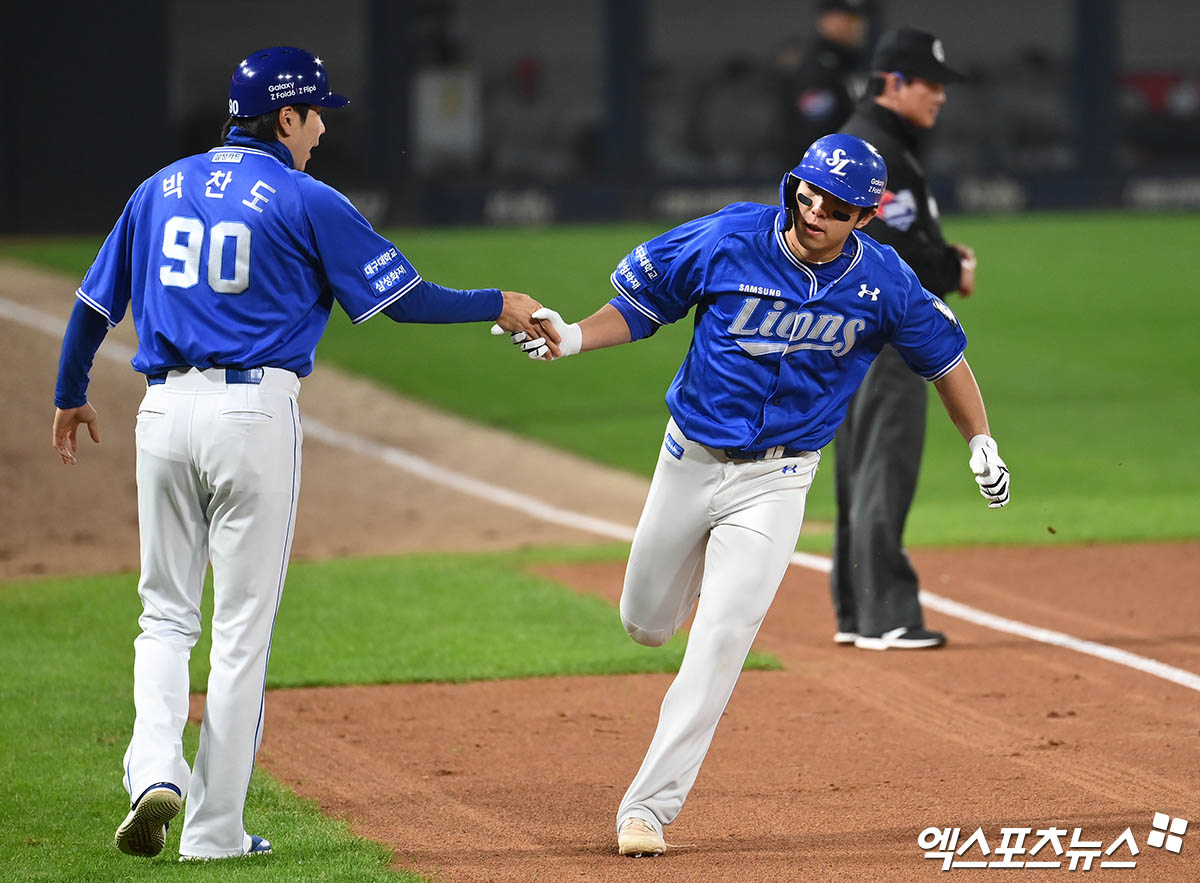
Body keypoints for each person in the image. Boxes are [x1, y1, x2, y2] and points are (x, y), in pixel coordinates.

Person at [50, 46, 554, 862]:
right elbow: (406, 300)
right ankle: (213, 832)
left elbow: (91, 305)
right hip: (253, 417)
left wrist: (71, 393)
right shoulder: (305, 197)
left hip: (163, 413)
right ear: (284, 117)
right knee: (242, 629)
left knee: (164, 614)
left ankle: (152, 766)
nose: (322, 128)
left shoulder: (159, 187)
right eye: (317, 113)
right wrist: (503, 302)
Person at [497, 134, 1010, 856]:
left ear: (863, 217)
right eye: (807, 193)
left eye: (834, 206)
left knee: (722, 638)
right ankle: (690, 572)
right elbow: (645, 303)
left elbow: (946, 358)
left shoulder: (884, 281)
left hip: (779, 479)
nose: (813, 210)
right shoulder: (731, 236)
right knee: (644, 623)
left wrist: (980, 441)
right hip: (690, 459)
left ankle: (647, 808)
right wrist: (574, 338)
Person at [832, 27, 978, 651]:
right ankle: (885, 613)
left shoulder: (863, 138)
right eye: (931, 84)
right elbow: (892, 252)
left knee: (859, 464)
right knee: (883, 464)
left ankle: (855, 609)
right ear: (894, 82)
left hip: (847, 324)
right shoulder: (876, 147)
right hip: (886, 328)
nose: (940, 96)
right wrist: (952, 268)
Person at [775, 0, 872, 169]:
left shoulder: (853, 63)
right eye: (849, 18)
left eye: (859, 19)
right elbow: (812, 134)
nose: (858, 26)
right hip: (823, 175)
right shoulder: (817, 67)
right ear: (825, 20)